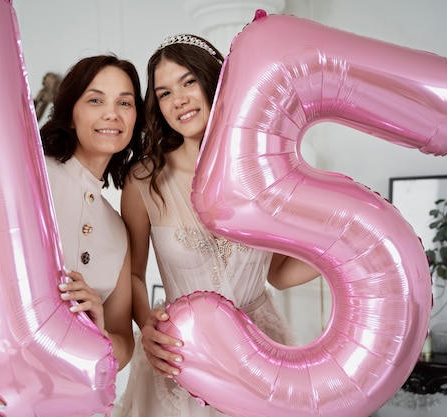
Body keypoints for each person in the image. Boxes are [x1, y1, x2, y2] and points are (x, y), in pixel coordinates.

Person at [0, 54, 145, 417]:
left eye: (124, 102)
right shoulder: (23, 179)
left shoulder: (118, 230)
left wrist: (98, 330)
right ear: (69, 112)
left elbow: (123, 345)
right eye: (95, 100)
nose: (112, 113)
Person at [114, 35, 320, 417]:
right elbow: (135, 275)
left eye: (188, 81)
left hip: (262, 353)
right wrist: (148, 328)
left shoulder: (263, 168)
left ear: (215, 81)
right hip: (181, 354)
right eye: (164, 93)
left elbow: (277, 273)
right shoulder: (143, 178)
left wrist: (350, 253)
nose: (178, 100)